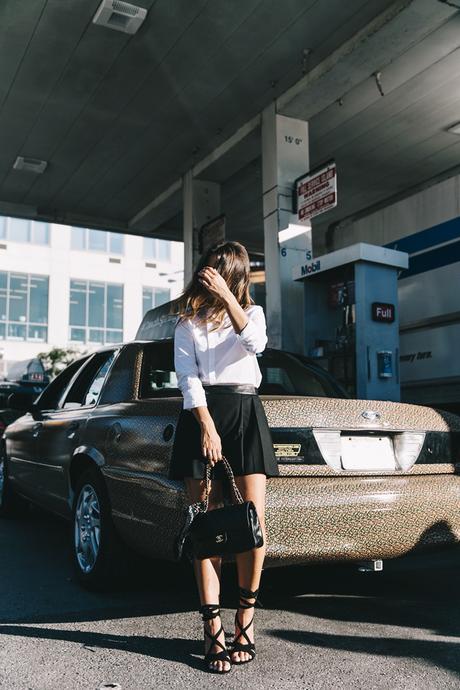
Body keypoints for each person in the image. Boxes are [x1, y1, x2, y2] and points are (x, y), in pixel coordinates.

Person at [169, 240, 279, 673]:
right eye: (206, 267)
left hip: (245, 412)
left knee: (253, 524)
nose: (208, 273)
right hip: (202, 417)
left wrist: (230, 298)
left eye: (218, 268)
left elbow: (256, 344)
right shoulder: (186, 323)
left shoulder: (251, 312)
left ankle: (245, 620)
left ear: (233, 275)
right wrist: (207, 427)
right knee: (207, 529)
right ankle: (211, 628)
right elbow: (187, 377)